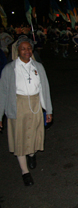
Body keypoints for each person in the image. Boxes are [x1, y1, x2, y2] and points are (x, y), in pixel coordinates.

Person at [0, 37, 53, 186]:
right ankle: (25, 172)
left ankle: (31, 154)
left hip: (36, 105)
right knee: (20, 138)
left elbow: (45, 89)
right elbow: (3, 93)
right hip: (18, 105)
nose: (27, 51)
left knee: (35, 133)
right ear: (17, 51)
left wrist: (48, 110)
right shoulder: (10, 69)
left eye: (29, 48)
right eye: (23, 49)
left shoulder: (38, 67)